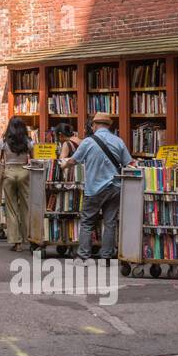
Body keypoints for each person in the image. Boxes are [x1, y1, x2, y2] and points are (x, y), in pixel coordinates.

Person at [61, 111, 133, 261]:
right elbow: (129, 163)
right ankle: (106, 256)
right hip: (114, 187)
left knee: (87, 223)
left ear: (94, 125)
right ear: (108, 126)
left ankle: (83, 256)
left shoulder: (88, 142)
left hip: (94, 189)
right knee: (110, 223)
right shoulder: (118, 141)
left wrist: (64, 164)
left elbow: (74, 161)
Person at [0, 117, 34, 251]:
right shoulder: (28, 142)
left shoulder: (4, 142)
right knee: (25, 207)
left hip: (9, 174)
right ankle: (29, 238)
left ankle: (17, 243)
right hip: (24, 172)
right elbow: (33, 159)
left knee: (11, 209)